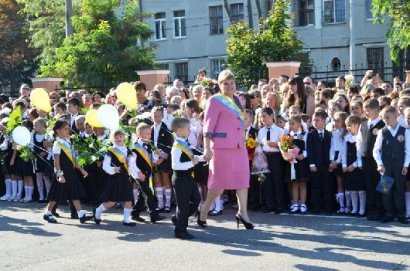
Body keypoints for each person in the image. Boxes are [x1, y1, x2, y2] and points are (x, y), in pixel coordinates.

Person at [199, 69, 254, 230]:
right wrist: (207, 148)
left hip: (238, 147)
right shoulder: (215, 101)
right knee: (218, 185)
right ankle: (204, 211)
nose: (230, 86)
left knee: (243, 180)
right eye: (225, 83)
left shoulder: (236, 100)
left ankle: (243, 213)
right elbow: (207, 126)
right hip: (221, 147)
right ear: (219, 85)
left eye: (232, 83)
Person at [43, 120, 90, 224]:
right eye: (65, 129)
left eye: (68, 128)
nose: (68, 130)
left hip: (70, 171)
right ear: (58, 131)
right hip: (62, 172)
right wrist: (60, 175)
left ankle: (81, 214)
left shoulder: (67, 142)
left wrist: (82, 170)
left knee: (74, 193)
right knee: (56, 195)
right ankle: (47, 213)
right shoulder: (57, 144)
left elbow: (73, 159)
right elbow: (56, 161)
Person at [373, 106, 409, 224]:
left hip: (399, 166)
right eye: (383, 118)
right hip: (386, 166)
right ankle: (388, 214)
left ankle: (401, 214)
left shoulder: (405, 131)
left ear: (395, 116)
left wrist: (405, 165)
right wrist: (380, 164)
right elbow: (376, 150)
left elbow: (408, 150)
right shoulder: (382, 132)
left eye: (387, 117)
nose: (385, 120)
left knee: (400, 189)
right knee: (385, 190)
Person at [170, 117, 204, 239]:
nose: (190, 130)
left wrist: (203, 158)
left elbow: (192, 156)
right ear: (179, 131)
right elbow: (175, 165)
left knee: (196, 200)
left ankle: (178, 219)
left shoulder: (184, 142)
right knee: (183, 206)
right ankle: (180, 230)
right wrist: (192, 163)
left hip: (189, 177)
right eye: (188, 129)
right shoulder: (177, 146)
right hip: (180, 179)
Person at [93, 130, 136, 226]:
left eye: (120, 136)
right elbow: (105, 166)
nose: (119, 139)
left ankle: (126, 220)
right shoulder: (110, 151)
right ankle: (98, 211)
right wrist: (113, 169)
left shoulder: (128, 150)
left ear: (124, 137)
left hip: (125, 178)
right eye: (116, 137)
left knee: (128, 199)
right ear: (113, 139)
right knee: (112, 202)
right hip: (115, 179)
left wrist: (136, 173)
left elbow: (132, 165)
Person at [129, 123, 164, 223]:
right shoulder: (134, 147)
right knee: (149, 193)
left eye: (150, 133)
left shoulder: (148, 145)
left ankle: (135, 213)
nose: (149, 136)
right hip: (139, 174)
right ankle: (154, 215)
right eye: (147, 134)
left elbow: (152, 161)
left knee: (142, 195)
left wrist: (157, 155)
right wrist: (139, 173)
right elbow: (131, 164)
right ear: (139, 134)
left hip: (147, 173)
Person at [357, 99, 385, 221]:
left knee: (380, 185)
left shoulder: (383, 125)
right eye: (364, 109)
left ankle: (381, 210)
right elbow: (359, 143)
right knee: (369, 185)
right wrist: (359, 160)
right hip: (366, 159)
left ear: (376, 110)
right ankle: (371, 209)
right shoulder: (363, 125)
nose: (365, 112)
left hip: (378, 161)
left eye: (368, 110)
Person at [257, 107, 285, 214]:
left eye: (264, 116)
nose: (262, 118)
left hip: (276, 156)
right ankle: (270, 204)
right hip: (265, 156)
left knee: (277, 181)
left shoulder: (279, 130)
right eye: (261, 116)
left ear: (271, 116)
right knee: (266, 181)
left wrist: (277, 144)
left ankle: (279, 205)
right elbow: (260, 144)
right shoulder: (261, 131)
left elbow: (286, 146)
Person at [307, 110, 332, 214]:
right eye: (313, 120)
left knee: (327, 186)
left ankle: (327, 207)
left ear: (324, 121)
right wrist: (311, 164)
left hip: (326, 165)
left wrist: (331, 162)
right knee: (316, 186)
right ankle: (316, 207)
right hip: (316, 165)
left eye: (317, 120)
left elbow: (332, 148)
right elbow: (310, 150)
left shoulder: (329, 134)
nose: (315, 122)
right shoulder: (311, 135)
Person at [342, 116, 366, 216]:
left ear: (357, 125)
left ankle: (362, 208)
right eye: (347, 126)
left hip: (357, 167)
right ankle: (354, 208)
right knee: (352, 189)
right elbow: (343, 152)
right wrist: (344, 165)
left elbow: (360, 153)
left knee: (360, 189)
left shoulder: (360, 137)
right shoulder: (347, 138)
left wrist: (355, 165)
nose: (348, 128)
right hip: (348, 166)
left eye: (350, 125)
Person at [151, 106, 173, 213]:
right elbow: (149, 144)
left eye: (159, 116)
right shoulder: (150, 129)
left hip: (164, 159)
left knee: (165, 179)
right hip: (153, 159)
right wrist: (152, 158)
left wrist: (161, 158)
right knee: (157, 180)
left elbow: (169, 146)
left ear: (162, 117)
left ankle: (168, 204)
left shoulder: (166, 129)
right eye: (155, 116)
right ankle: (160, 204)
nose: (157, 118)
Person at [286, 115, 309, 214]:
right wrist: (289, 155)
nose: (291, 126)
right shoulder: (287, 136)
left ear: (299, 124)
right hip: (292, 163)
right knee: (294, 183)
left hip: (302, 162)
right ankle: (295, 203)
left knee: (302, 183)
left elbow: (308, 148)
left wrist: (303, 155)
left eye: (293, 123)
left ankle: (303, 203)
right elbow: (285, 148)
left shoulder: (304, 135)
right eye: (289, 123)